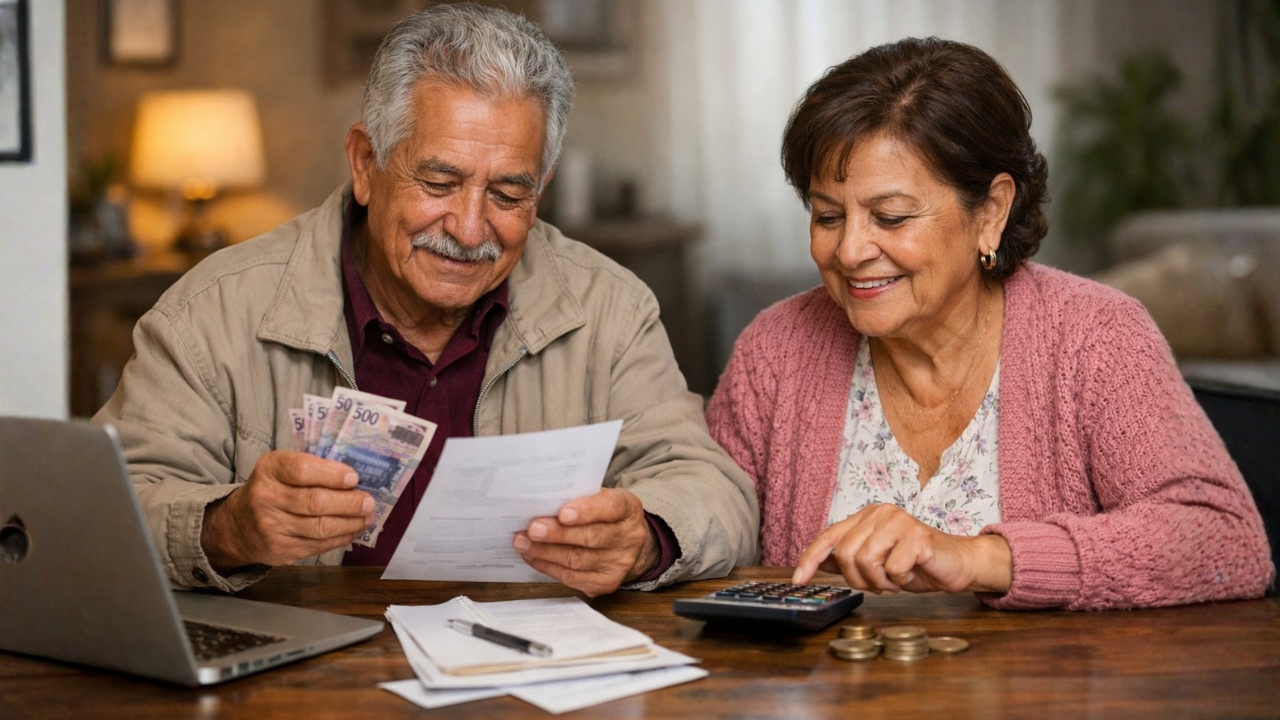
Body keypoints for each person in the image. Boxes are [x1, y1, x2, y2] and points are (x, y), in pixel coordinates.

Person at [97, 3, 757, 598]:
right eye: (439, 181)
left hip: (525, 680)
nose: (470, 230)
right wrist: (227, 529)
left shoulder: (611, 308)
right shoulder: (209, 312)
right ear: (364, 163)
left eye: (508, 194)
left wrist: (644, 539)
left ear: (542, 188)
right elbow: (105, 516)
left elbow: (715, 494)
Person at [706, 37, 1273, 610]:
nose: (849, 250)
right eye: (828, 215)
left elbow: (1226, 542)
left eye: (891, 216)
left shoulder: (1096, 336)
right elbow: (706, 527)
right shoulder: (776, 348)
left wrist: (978, 559)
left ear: (992, 212)